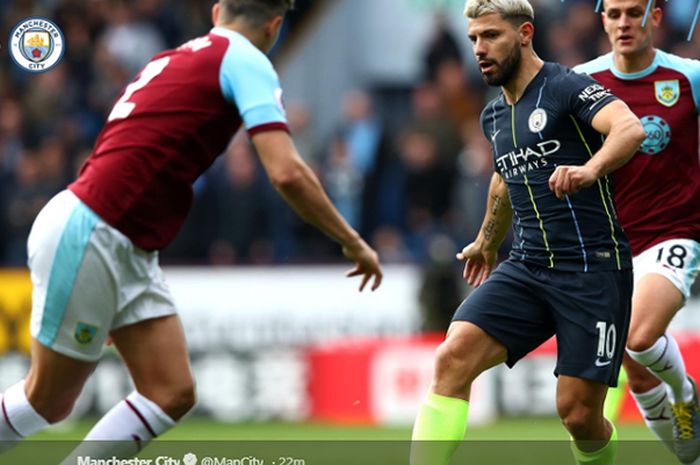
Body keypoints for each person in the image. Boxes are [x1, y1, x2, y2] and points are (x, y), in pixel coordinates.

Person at [0, 0, 383, 461]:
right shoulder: (245, 58)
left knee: (170, 391)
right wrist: (351, 238)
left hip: (123, 242)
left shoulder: (174, 57)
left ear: (217, 10)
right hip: (95, 231)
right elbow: (287, 172)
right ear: (275, 26)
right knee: (48, 400)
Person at [410, 1, 646, 465]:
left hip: (591, 269)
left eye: (491, 36)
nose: (479, 49)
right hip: (527, 266)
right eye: (474, 38)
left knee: (578, 416)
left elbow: (629, 128)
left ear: (524, 33)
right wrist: (486, 240)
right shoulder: (494, 116)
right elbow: (504, 176)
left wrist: (589, 168)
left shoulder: (565, 87)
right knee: (451, 357)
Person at [575, 0, 700, 462]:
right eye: (614, 14)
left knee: (640, 338)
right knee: (639, 375)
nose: (624, 23)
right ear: (602, 20)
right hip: (607, 247)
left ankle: (686, 392)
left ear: (656, 18)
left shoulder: (689, 78)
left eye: (634, 12)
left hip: (674, 232)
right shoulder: (582, 83)